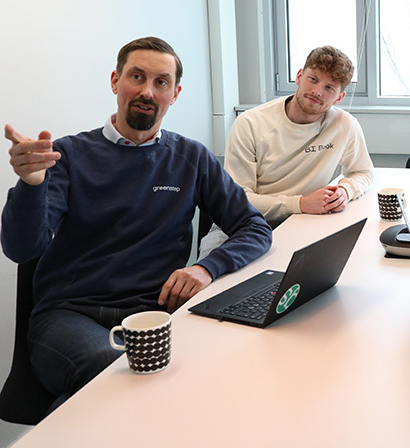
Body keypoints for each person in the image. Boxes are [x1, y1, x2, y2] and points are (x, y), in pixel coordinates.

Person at [1, 37, 272, 410]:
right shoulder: (67, 156)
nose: (147, 91)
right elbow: (21, 249)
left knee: (221, 373)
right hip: (69, 316)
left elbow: (254, 228)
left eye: (161, 82)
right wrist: (31, 185)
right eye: (137, 77)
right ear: (116, 81)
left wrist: (207, 268)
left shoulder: (191, 158)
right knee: (119, 373)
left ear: (174, 94)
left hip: (156, 315)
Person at [200, 45, 372, 255]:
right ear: (299, 76)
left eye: (329, 88)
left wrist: (346, 190)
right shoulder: (250, 123)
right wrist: (300, 204)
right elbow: (240, 199)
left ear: (339, 97)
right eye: (313, 79)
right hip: (241, 224)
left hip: (302, 223)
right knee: (211, 272)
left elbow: (363, 171)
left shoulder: (344, 124)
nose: (317, 92)